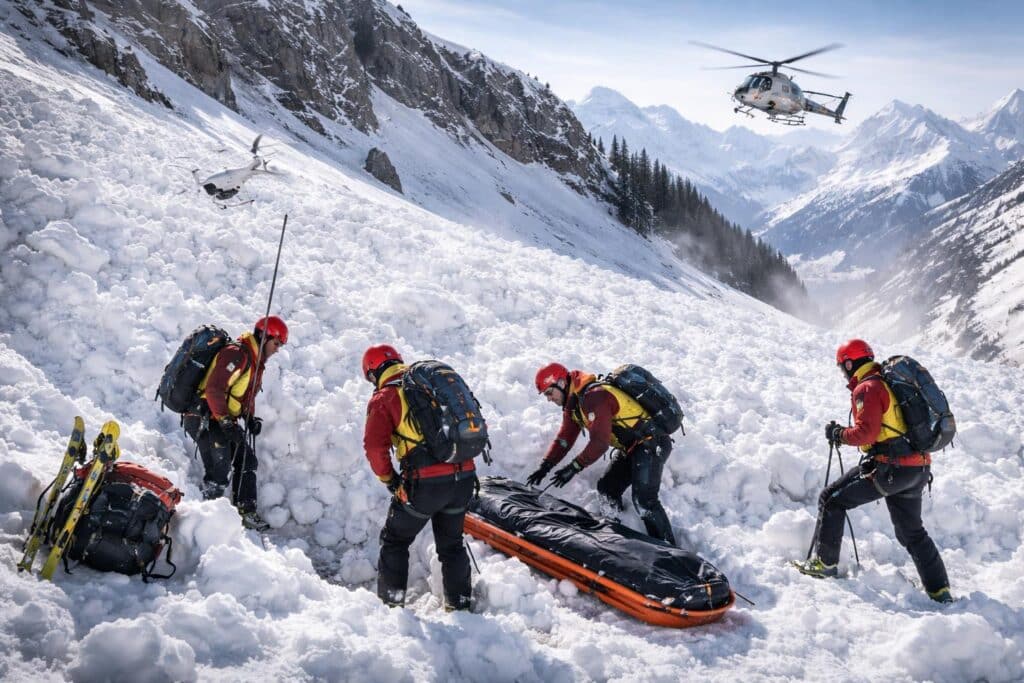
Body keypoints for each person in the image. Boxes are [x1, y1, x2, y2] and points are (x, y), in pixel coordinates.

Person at [795, 339, 953, 603]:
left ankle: (824, 565)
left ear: (849, 363)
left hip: (891, 469)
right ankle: (940, 590)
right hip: (917, 469)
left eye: (842, 366)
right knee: (912, 532)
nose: (843, 372)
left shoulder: (866, 388)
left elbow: (865, 433)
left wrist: (838, 434)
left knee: (831, 500)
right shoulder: (887, 383)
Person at [362, 344, 476, 611]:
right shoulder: (429, 388)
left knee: (395, 541)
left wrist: (390, 480)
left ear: (372, 372)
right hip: (464, 477)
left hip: (425, 484)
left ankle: (391, 608)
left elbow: (374, 447)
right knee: (452, 545)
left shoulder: (385, 396)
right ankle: (459, 607)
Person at [527, 362, 677, 545]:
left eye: (549, 393)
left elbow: (599, 443)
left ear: (561, 383)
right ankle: (616, 537)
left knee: (645, 501)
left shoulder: (595, 397)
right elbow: (565, 437)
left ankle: (670, 551)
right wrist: (546, 465)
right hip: (632, 447)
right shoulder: (574, 403)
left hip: (651, 443)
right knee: (607, 489)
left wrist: (573, 467)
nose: (549, 399)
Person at [183, 316, 288, 531]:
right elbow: (214, 389)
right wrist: (226, 422)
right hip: (204, 417)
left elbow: (244, 395)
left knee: (247, 461)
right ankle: (206, 525)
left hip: (221, 420)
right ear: (264, 335)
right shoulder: (237, 354)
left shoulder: (255, 362)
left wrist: (250, 419)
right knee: (219, 471)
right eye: (276, 343)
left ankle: (245, 511)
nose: (277, 349)